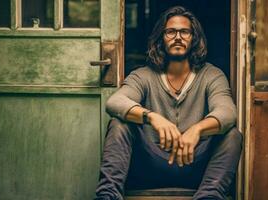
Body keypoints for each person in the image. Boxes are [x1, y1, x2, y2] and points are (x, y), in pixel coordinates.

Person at [94, 6, 243, 200]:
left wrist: (197, 130)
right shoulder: (143, 75)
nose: (178, 37)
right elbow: (115, 102)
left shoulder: (211, 75)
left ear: (194, 38)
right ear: (160, 39)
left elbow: (228, 112)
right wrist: (152, 117)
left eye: (185, 32)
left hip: (195, 164)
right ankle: (107, 196)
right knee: (119, 124)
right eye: (171, 32)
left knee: (232, 135)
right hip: (150, 164)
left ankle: (210, 196)